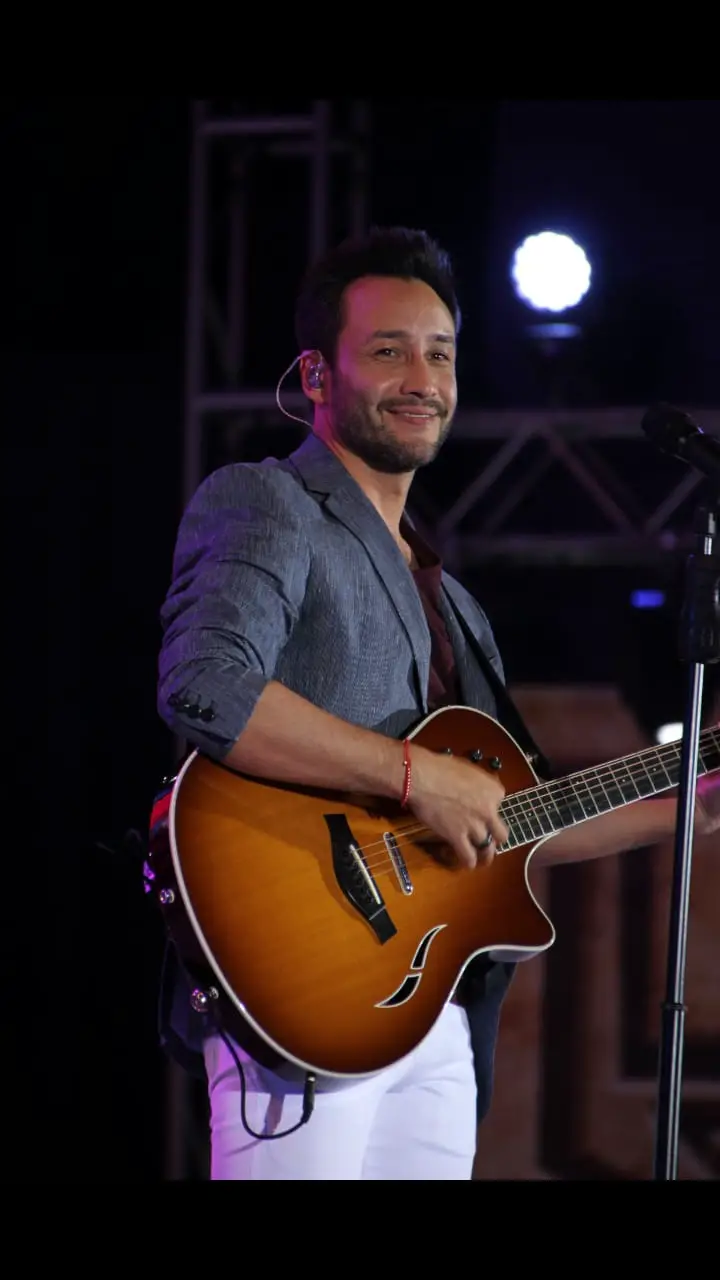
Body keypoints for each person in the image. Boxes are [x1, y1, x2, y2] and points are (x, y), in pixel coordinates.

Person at [156, 225, 720, 1180]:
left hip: (432, 1011)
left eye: (441, 353)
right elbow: (205, 684)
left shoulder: (455, 601)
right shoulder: (269, 501)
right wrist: (416, 775)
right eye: (389, 351)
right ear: (317, 374)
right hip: (303, 985)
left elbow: (512, 818)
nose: (422, 378)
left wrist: (691, 810)